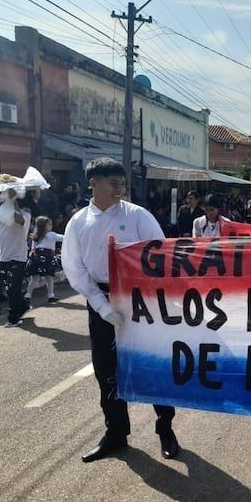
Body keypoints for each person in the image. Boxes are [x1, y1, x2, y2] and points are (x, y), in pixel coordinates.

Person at [62, 158, 179, 463]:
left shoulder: (138, 216)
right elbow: (75, 269)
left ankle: (165, 427)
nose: (120, 189)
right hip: (100, 301)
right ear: (94, 183)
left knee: (151, 365)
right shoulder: (78, 222)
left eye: (122, 183)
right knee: (106, 371)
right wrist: (100, 306)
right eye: (113, 183)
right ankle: (115, 433)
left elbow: (161, 256)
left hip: (140, 302)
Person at [0, 190, 32, 327]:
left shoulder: (25, 215)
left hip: (18, 257)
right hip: (2, 257)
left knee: (12, 287)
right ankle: (22, 305)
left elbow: (18, 219)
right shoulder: (1, 214)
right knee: (9, 286)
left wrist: (12, 199)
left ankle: (13, 317)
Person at [25, 215, 64, 304]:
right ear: (44, 226)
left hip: (37, 256)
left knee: (34, 278)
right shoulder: (52, 235)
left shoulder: (35, 236)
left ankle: (28, 295)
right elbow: (63, 238)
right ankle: (51, 295)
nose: (51, 226)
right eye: (49, 224)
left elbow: (32, 248)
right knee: (49, 277)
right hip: (48, 257)